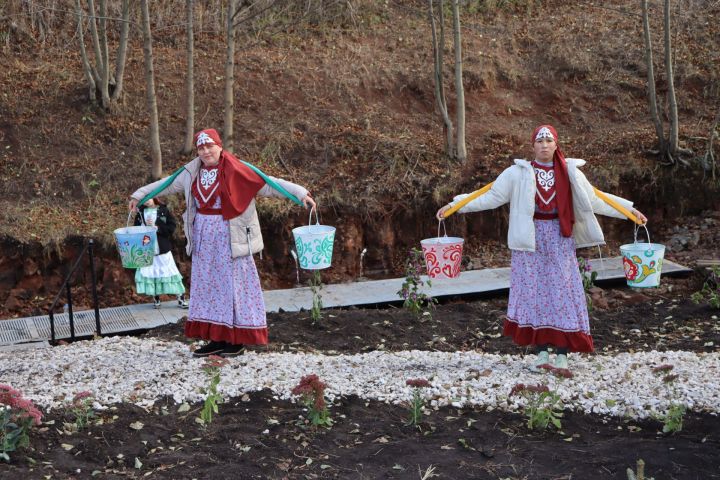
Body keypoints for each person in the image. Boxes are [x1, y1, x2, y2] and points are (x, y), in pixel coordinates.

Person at [436, 125, 647, 371]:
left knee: (562, 292)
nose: (544, 145)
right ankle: (541, 353)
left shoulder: (571, 173)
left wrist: (628, 211)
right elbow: (491, 197)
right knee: (533, 292)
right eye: (540, 141)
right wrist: (455, 206)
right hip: (529, 240)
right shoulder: (518, 173)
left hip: (559, 237)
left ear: (556, 144)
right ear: (532, 146)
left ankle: (562, 353)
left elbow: (595, 199)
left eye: (548, 141)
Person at [129, 128, 315, 358]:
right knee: (208, 286)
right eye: (201, 147)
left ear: (219, 146)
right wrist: (139, 196)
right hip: (203, 237)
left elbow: (269, 184)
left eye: (210, 146)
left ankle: (235, 339)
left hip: (231, 236)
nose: (206, 151)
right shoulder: (190, 172)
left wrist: (300, 194)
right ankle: (216, 337)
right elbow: (164, 185)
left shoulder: (238, 169)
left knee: (233, 285)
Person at [133, 198, 189, 309]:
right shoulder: (140, 213)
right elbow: (135, 229)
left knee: (170, 272)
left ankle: (180, 298)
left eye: (149, 197)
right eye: (143, 199)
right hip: (147, 248)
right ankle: (156, 299)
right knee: (152, 273)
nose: (146, 201)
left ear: (154, 197)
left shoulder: (163, 210)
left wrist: (157, 227)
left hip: (162, 248)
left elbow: (172, 226)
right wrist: (144, 227)